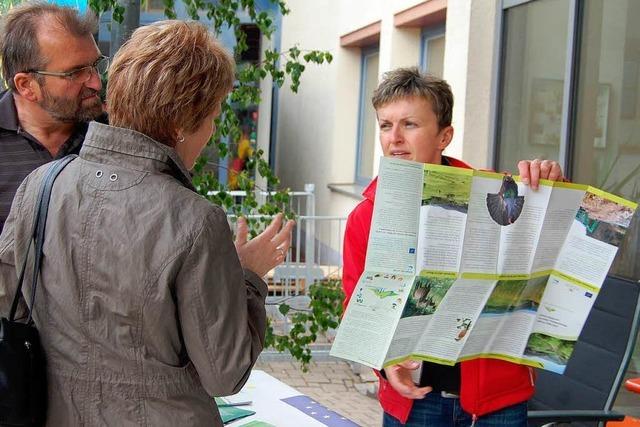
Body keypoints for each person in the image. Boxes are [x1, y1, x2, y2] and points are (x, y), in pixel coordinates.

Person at [0, 20, 294, 426]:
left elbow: (10, 304)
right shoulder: (195, 221)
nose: (211, 131)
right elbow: (225, 372)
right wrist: (247, 277)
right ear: (181, 125)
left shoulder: (41, 184)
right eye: (211, 116)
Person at [342, 67, 564, 427]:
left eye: (409, 124)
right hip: (417, 402)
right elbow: (356, 307)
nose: (394, 138)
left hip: (497, 403)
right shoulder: (365, 217)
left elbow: (554, 243)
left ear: (444, 136)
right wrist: (384, 361)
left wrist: (554, 186)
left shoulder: (495, 195)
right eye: (386, 125)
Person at [0, 2, 107, 234]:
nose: (96, 83)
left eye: (95, 66)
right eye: (75, 73)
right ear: (27, 85)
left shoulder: (115, 137)